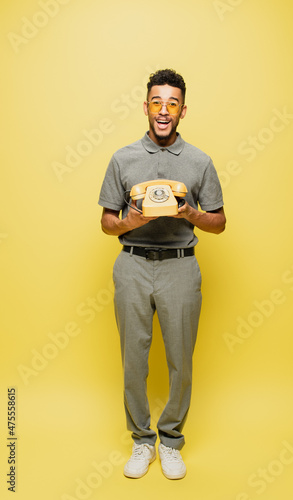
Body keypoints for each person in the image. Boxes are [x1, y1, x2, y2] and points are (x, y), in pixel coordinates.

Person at [98, 69, 226, 480]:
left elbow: (220, 222)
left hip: (180, 267)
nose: (164, 111)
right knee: (133, 359)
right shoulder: (123, 158)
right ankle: (140, 440)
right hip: (132, 264)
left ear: (183, 110)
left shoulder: (199, 161)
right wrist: (130, 221)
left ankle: (170, 441)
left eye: (172, 103)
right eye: (157, 102)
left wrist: (189, 212)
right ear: (146, 107)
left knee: (180, 360)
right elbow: (106, 222)